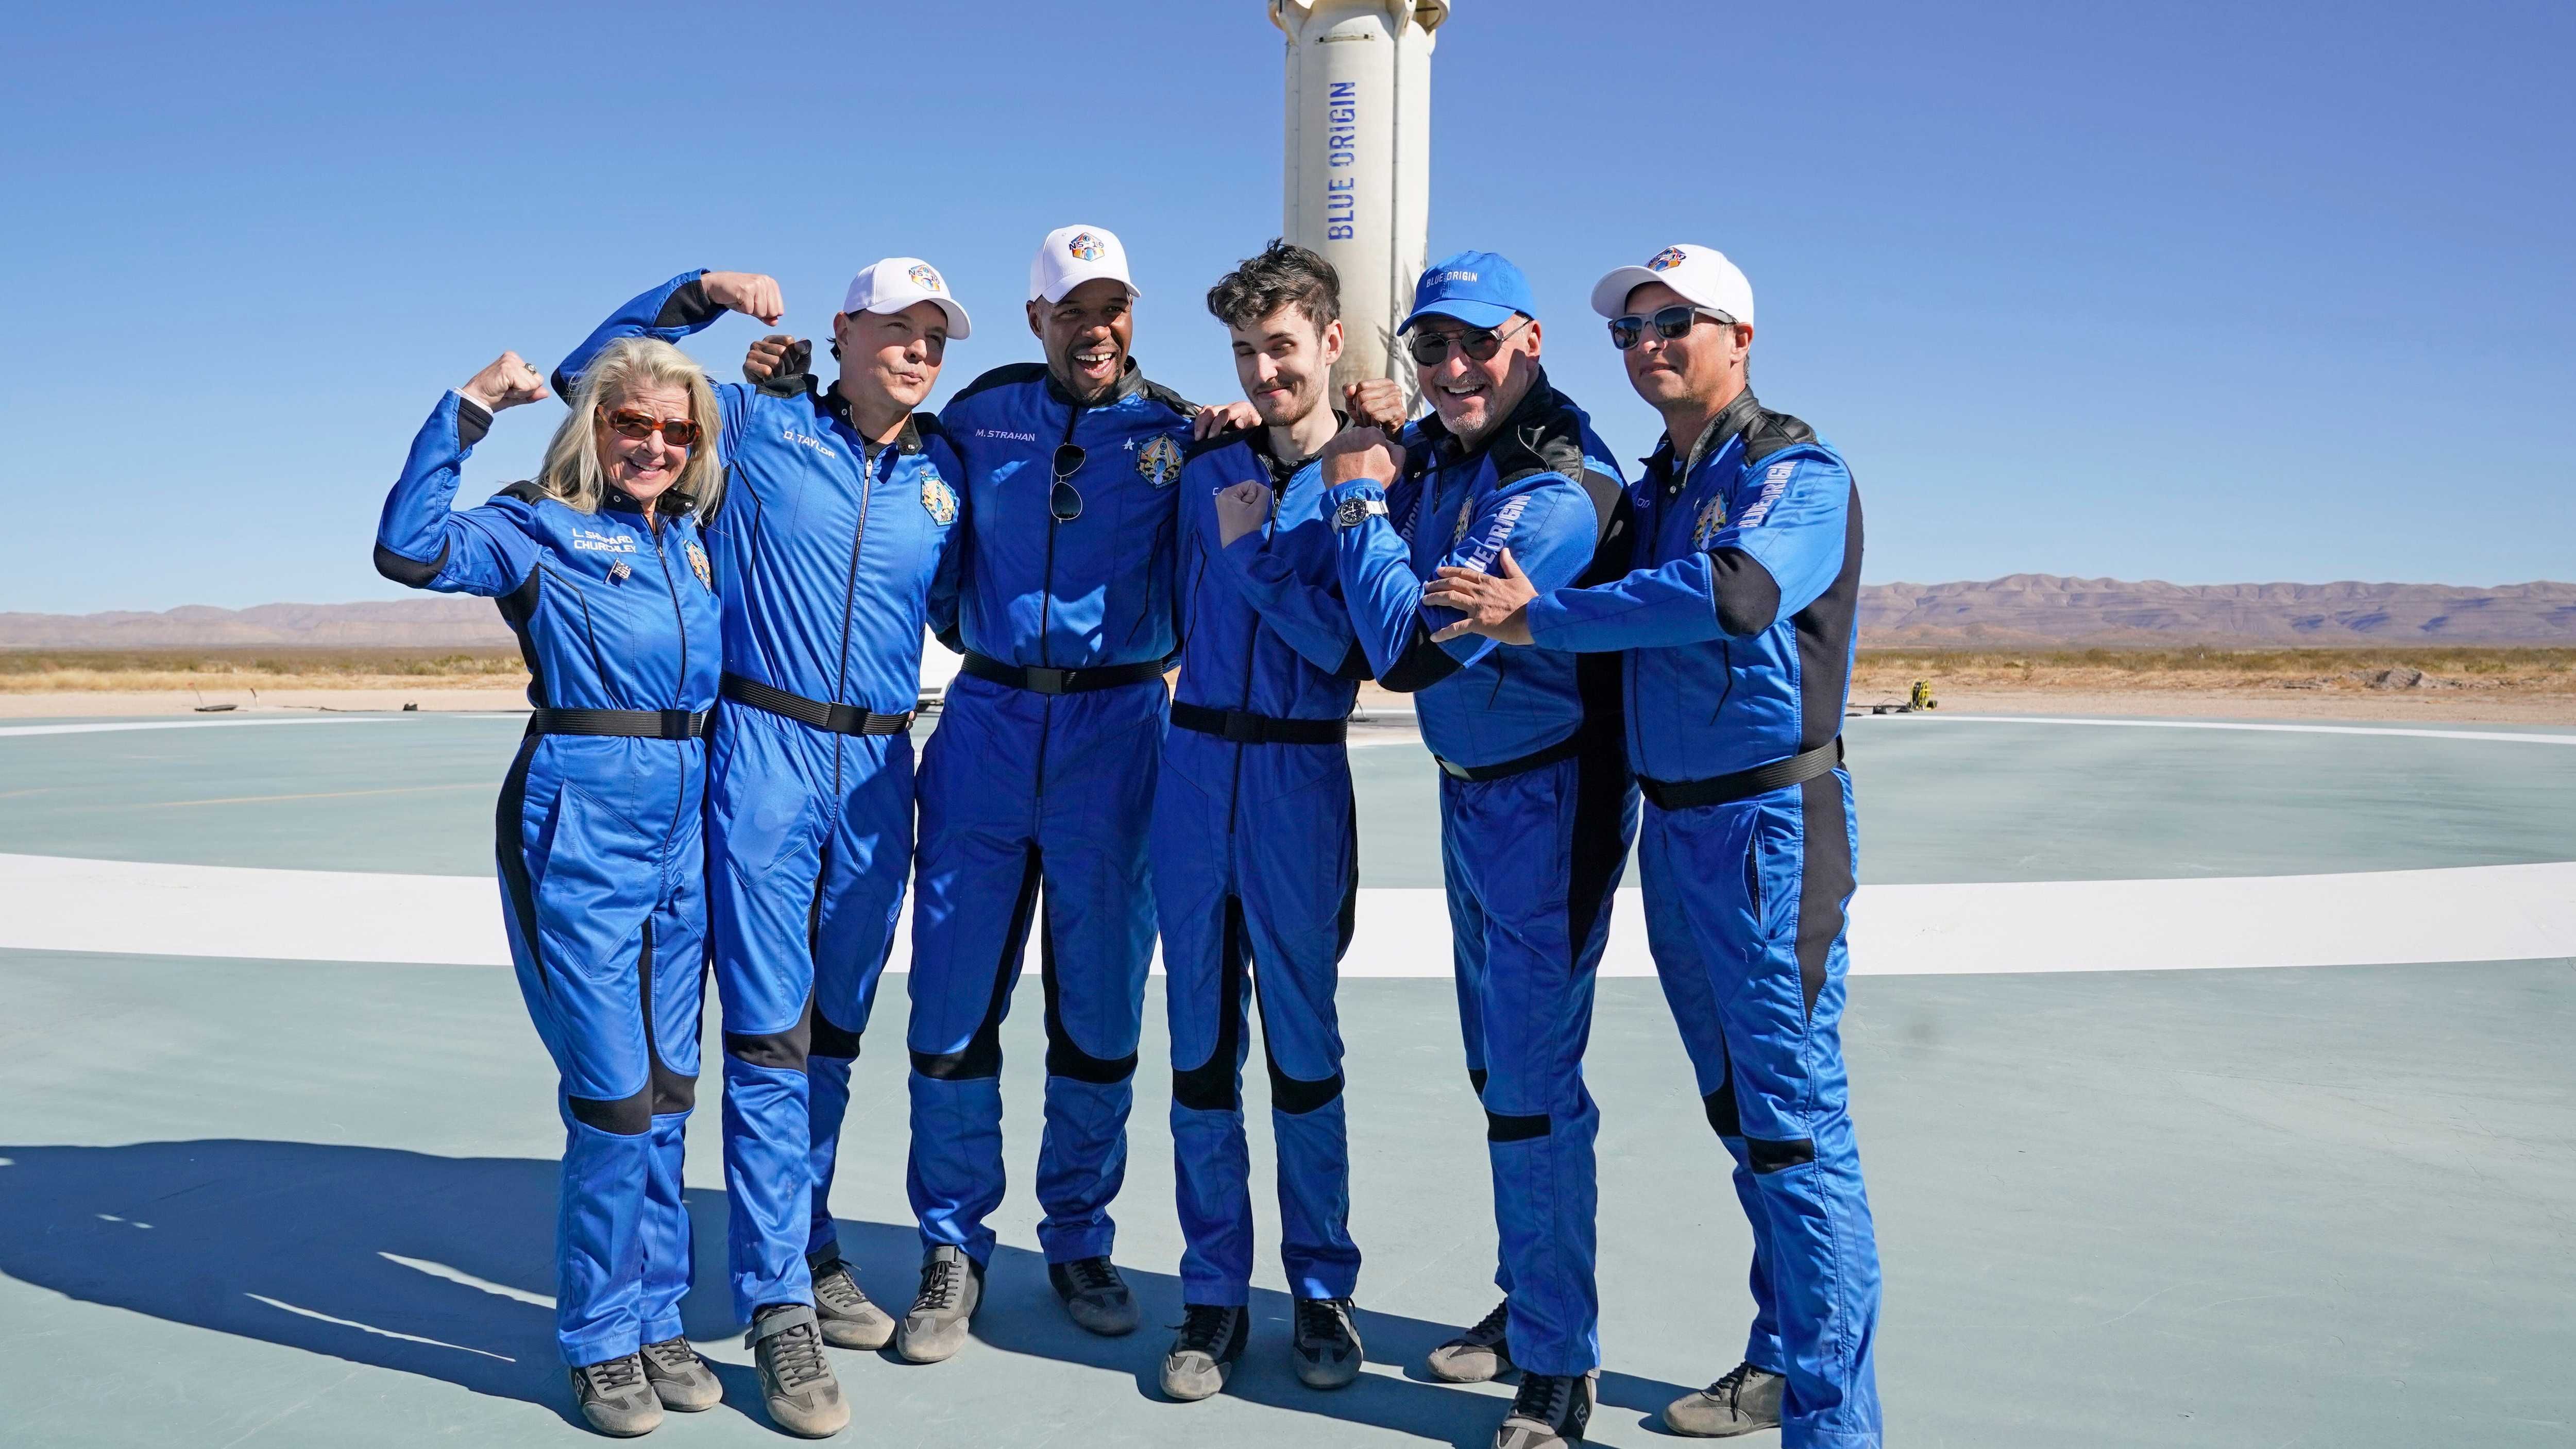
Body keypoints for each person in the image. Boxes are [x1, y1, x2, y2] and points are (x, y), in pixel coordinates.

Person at [1425, 244, 1883, 1448]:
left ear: (1741, 337)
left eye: (1676, 322)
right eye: (1631, 330)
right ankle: (1780, 1355)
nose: (1649, 345)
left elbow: (1737, 593)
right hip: (1673, 832)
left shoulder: (1796, 471)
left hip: (1766, 830)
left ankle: (1832, 1426)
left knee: (1792, 1125)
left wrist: (1544, 619)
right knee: (1741, 1111)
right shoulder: (1660, 487)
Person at [556, 261, 971, 1436]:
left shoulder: (943, 472)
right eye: (895, 330)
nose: (917, 351)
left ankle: (809, 1240)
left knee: (834, 1034)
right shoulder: (751, 423)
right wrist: (696, 294)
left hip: (882, 771)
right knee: (769, 1038)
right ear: (842, 333)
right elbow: (594, 382)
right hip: (764, 756)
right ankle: (777, 1304)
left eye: (934, 336)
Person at [1314, 251, 1638, 1449]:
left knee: (1535, 1087)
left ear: (1529, 342)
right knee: (1501, 1076)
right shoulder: (1452, 458)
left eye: (1475, 345)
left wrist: (1358, 503)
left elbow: (1408, 648)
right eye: (1432, 347)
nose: (1452, 368)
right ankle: (1531, 1299)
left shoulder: (1552, 489)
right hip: (1473, 795)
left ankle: (1559, 1364)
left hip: (1551, 802)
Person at [372, 342, 725, 1437]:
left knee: (669, 1094)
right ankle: (598, 1339)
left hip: (683, 831)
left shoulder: (694, 538)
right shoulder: (537, 526)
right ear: (593, 425)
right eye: (633, 422)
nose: (655, 445)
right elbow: (409, 549)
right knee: (613, 1102)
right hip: (578, 823)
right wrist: (471, 408)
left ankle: (657, 1315)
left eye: (677, 430)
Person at [895, 224, 1200, 1362]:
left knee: (1100, 1012)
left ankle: (1077, 1234)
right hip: (986, 725)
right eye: (1074, 310)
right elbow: (920, 523)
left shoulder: (1178, 430)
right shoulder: (978, 417)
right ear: (1038, 319)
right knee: (951, 1007)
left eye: (1113, 307)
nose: (1096, 329)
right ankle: (951, 1245)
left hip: (1118, 737)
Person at [1146, 240, 1390, 1401]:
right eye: (1245, 351)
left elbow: (1354, 648)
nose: (1263, 370)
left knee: (1303, 1052)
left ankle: (1323, 1287)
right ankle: (1212, 1292)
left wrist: (1257, 556)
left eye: (1282, 347)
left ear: (1331, 343)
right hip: (1193, 775)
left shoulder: (1373, 475)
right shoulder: (1209, 467)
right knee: (1200, 1051)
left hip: (1300, 780)